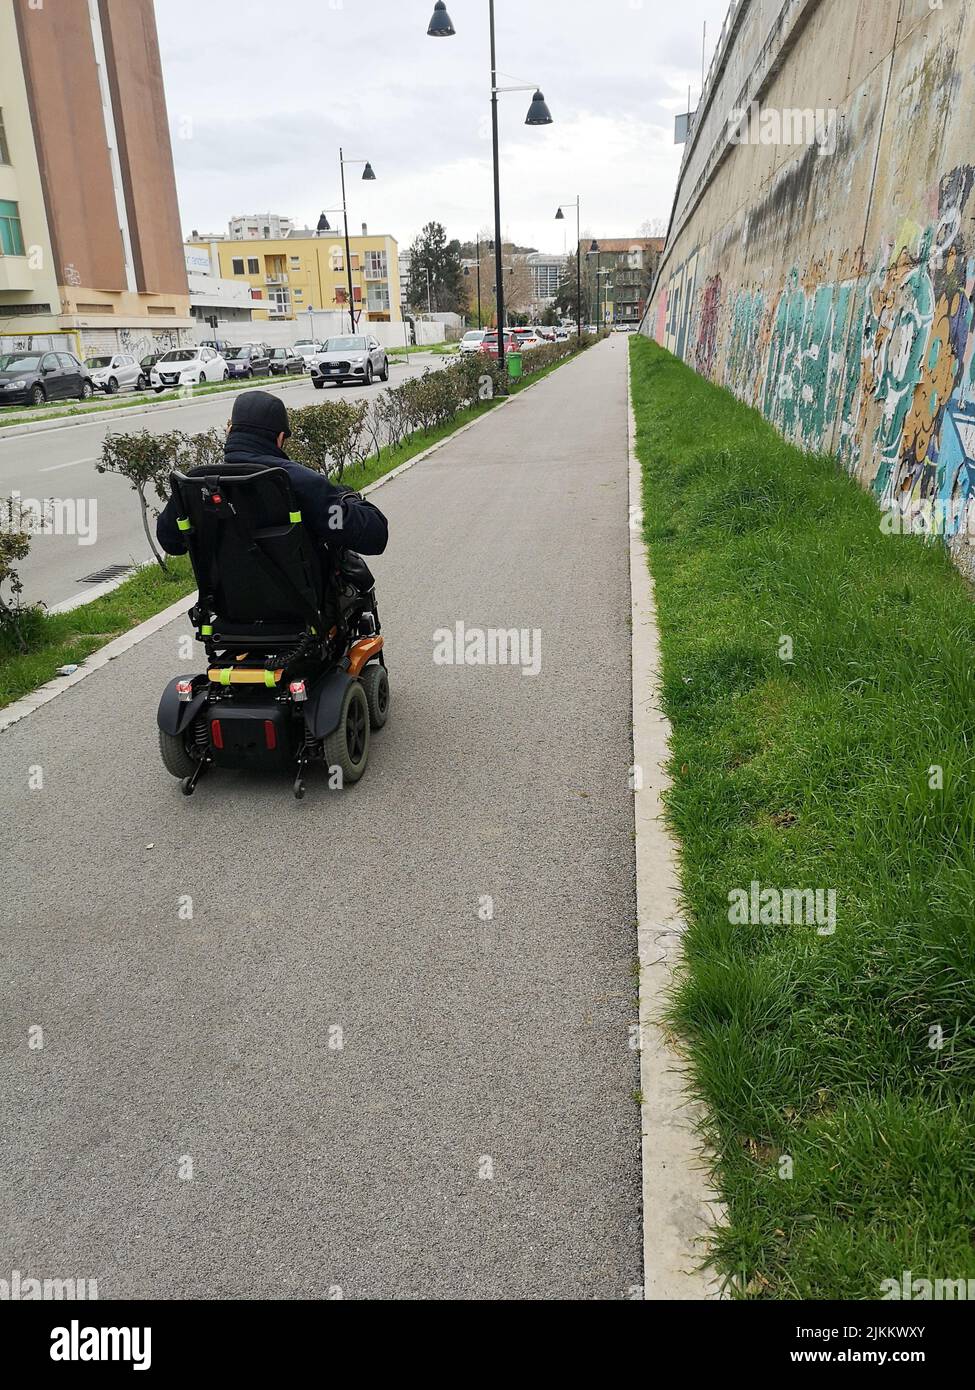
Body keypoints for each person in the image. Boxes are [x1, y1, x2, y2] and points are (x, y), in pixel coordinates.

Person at [156, 389, 388, 558]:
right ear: (279, 438)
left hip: (228, 611)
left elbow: (171, 543)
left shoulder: (195, 484)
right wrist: (348, 499)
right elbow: (373, 538)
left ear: (230, 431)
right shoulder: (300, 483)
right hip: (300, 615)